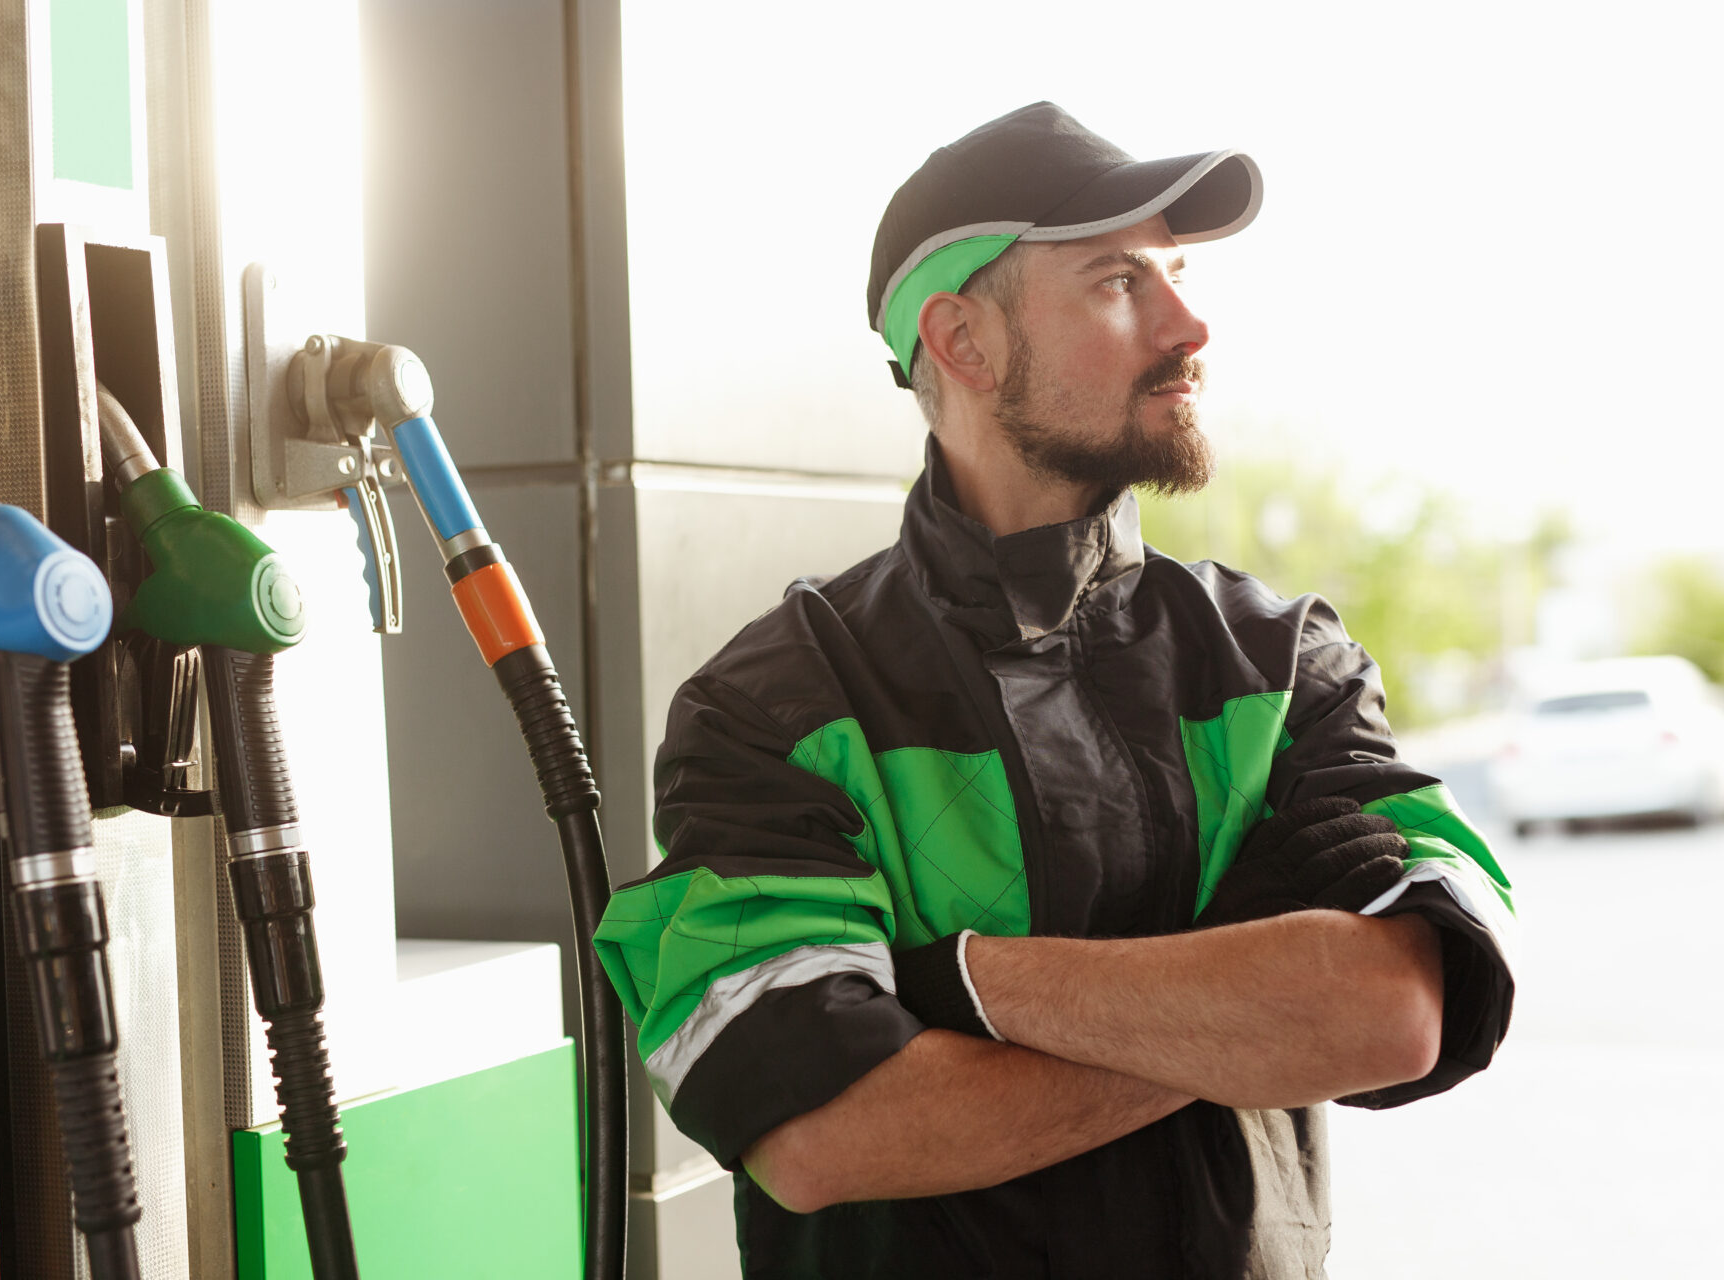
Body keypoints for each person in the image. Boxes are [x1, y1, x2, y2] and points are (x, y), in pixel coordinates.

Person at [593, 102, 1516, 1279]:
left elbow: (1393, 1010)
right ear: (966, 341)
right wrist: (1244, 1007)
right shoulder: (774, 705)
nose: (1189, 321)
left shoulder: (1281, 662)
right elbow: (825, 1130)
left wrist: (966, 978)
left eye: (1174, 273)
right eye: (1120, 279)